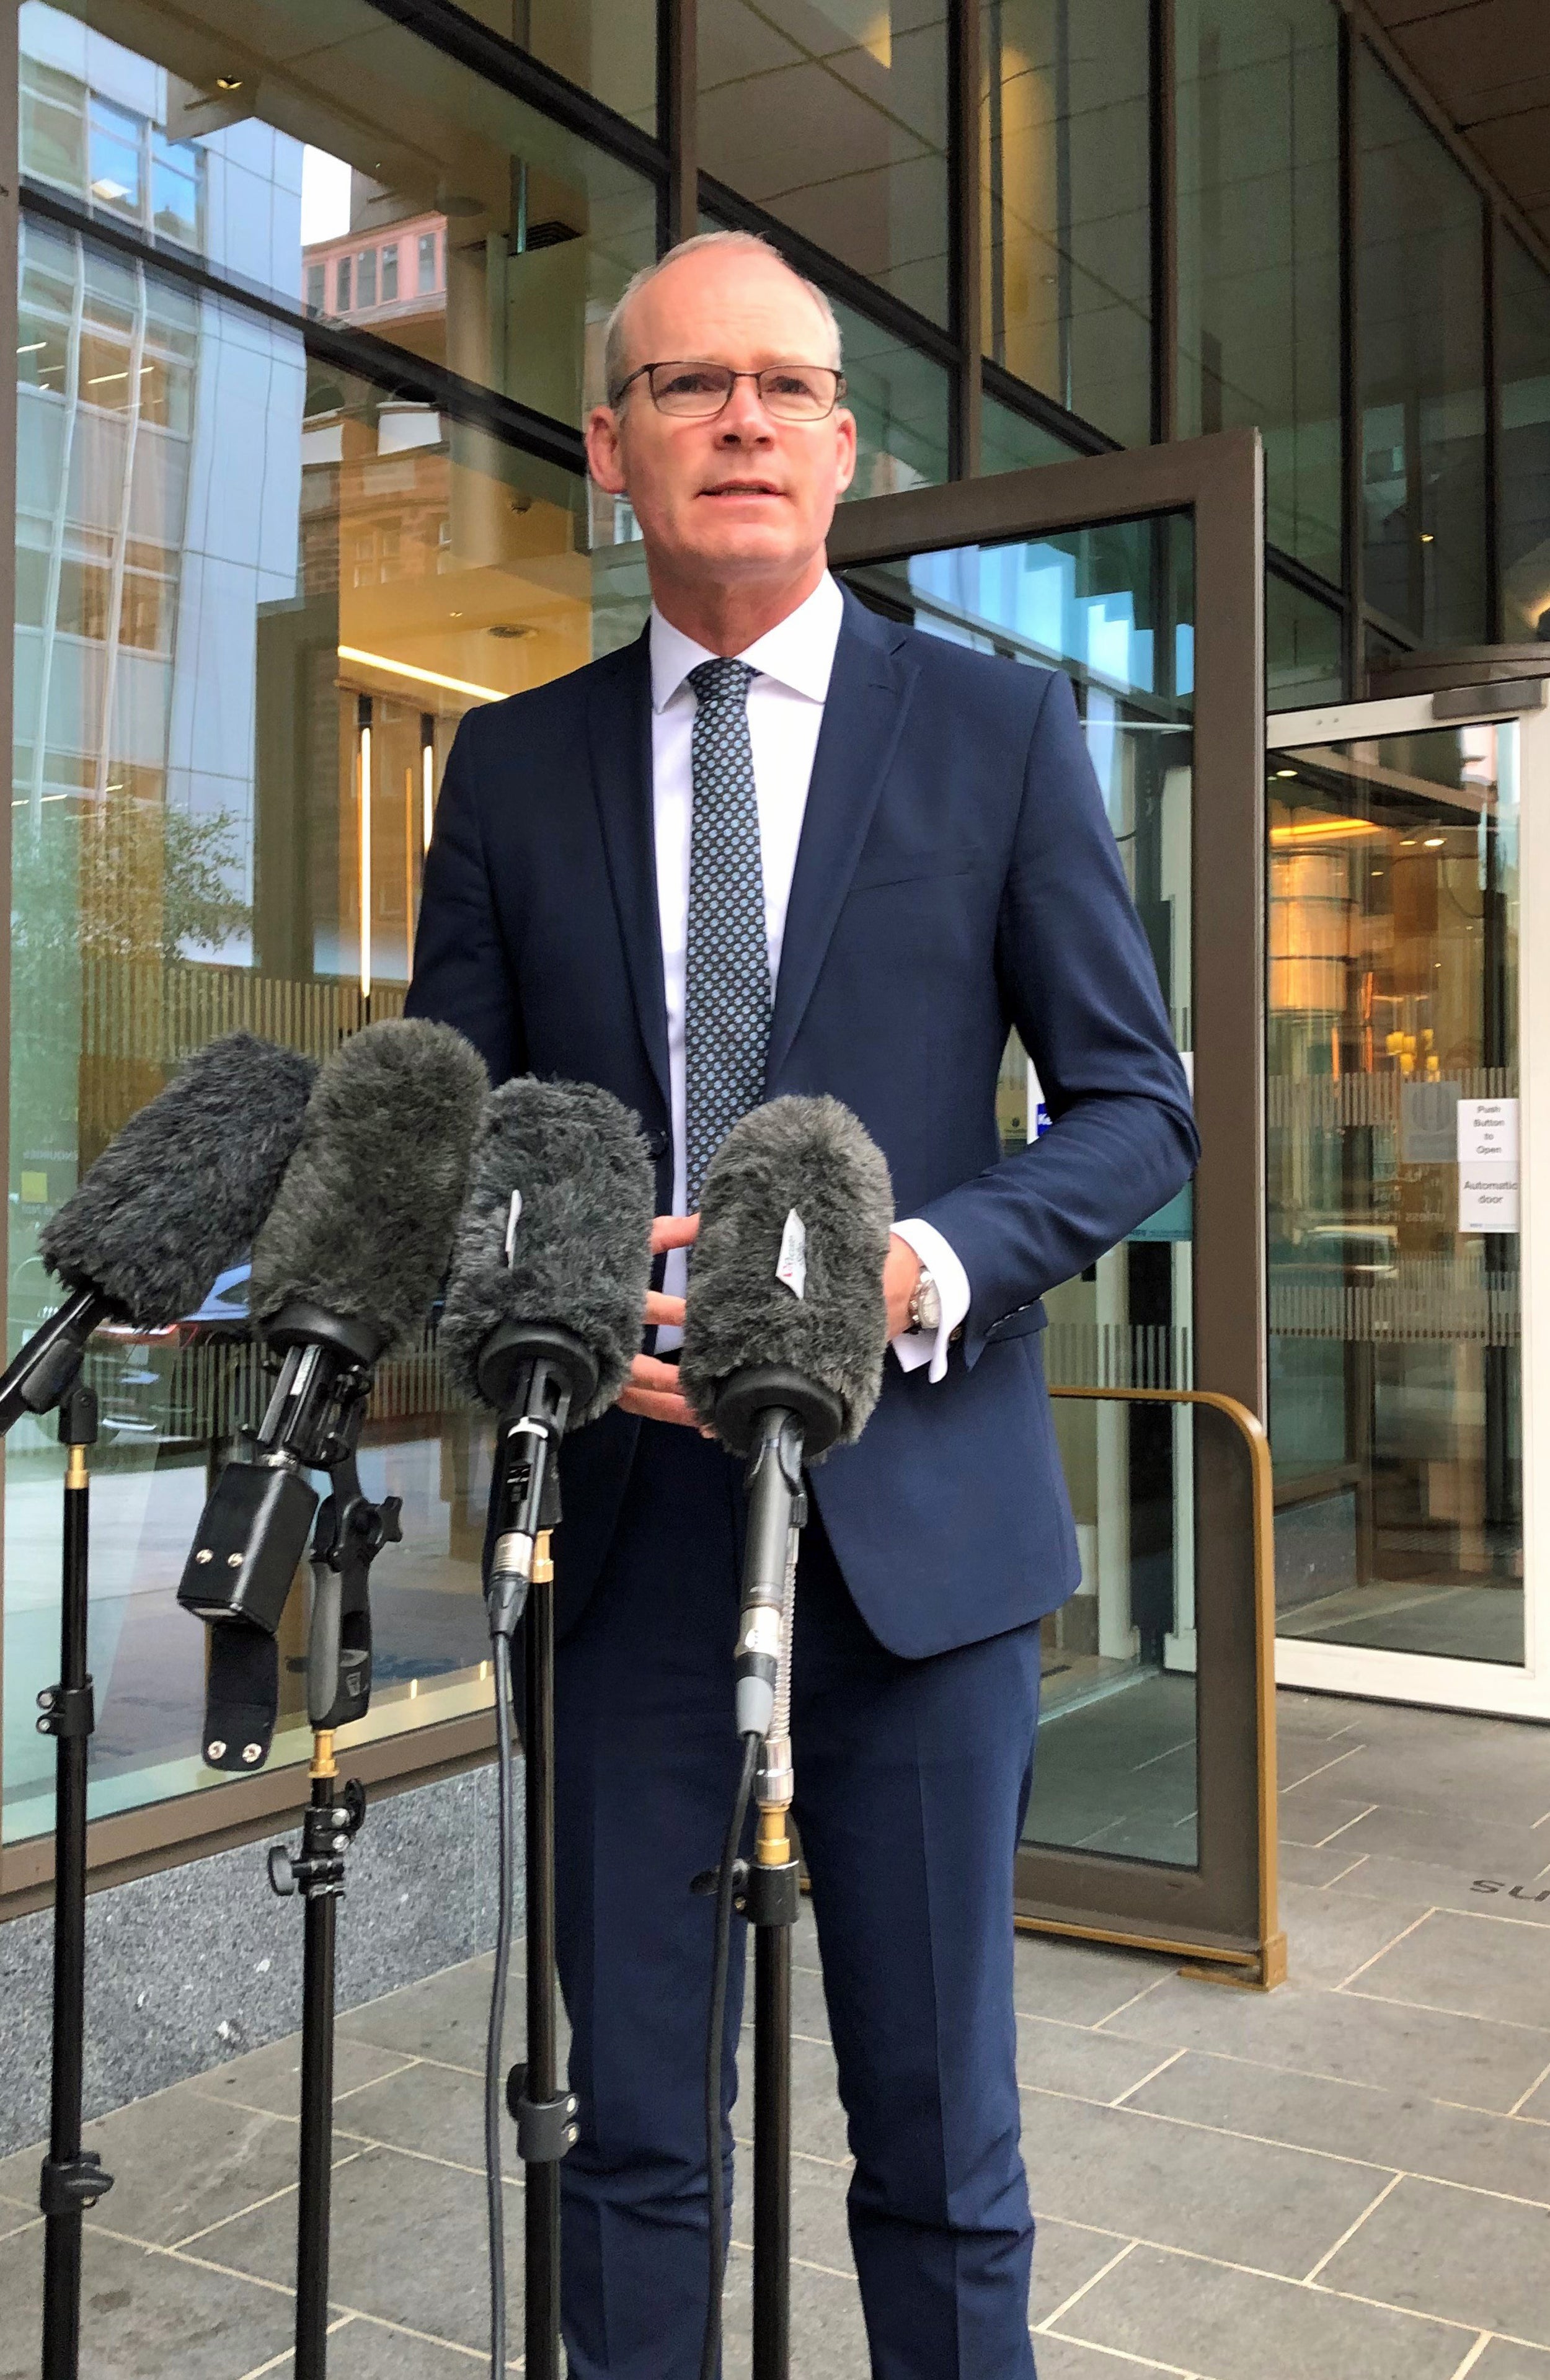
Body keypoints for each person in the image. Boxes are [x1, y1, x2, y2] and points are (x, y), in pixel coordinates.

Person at [405, 228, 1197, 2379]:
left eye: (780, 386)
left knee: (941, 2150)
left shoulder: (1002, 733)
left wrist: (921, 1262)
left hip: (924, 1556)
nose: (737, 419)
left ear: (842, 446)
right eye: (685, 387)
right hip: (625, 1552)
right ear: (611, 448)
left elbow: (1135, 1113)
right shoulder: (509, 769)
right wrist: (556, 1305)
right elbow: (466, 1145)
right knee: (630, 2144)